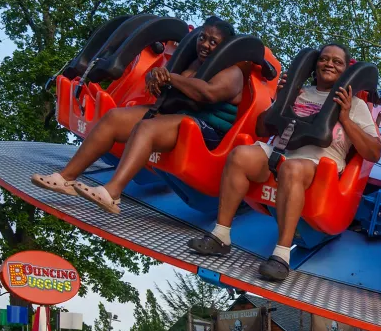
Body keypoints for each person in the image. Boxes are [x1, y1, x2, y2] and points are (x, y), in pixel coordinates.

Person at [188, 43, 381, 281]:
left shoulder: (355, 105)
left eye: (337, 62)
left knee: (291, 169)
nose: (329, 64)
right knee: (240, 156)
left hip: (320, 164)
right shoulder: (299, 92)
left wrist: (345, 117)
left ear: (345, 70)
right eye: (324, 59)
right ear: (315, 64)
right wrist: (281, 101)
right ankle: (221, 236)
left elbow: (373, 152)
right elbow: (261, 128)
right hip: (281, 152)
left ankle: (280, 257)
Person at [31, 16, 244, 214]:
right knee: (115, 117)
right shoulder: (194, 62)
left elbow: (205, 93)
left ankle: (112, 193)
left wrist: (170, 77)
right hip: (177, 118)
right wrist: (156, 78)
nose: (205, 45)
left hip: (209, 134)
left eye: (213, 42)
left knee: (145, 128)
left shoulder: (232, 73)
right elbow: (175, 85)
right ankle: (66, 178)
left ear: (224, 47)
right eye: (202, 37)